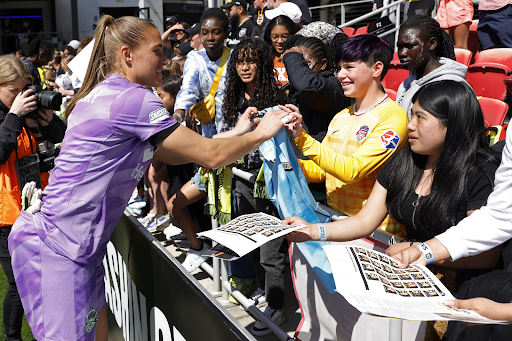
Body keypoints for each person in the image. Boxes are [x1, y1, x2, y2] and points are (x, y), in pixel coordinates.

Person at [8, 14, 288, 341]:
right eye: (157, 51)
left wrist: (241, 131)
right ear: (128, 55)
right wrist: (263, 132)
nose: (166, 59)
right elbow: (211, 156)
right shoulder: (132, 99)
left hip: (75, 249)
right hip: (60, 250)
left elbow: (184, 152)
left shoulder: (108, 93)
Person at [285, 80, 508, 339]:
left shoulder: (480, 174)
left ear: (451, 125)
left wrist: (420, 251)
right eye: (411, 114)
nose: (409, 125)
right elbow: (365, 221)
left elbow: (486, 256)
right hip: (416, 280)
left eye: (420, 117)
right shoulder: (404, 162)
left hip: (465, 296)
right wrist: (313, 231)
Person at [285, 34, 408, 235]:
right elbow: (322, 172)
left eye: (349, 67)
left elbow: (353, 170)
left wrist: (304, 141)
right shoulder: (341, 116)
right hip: (337, 225)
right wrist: (285, 161)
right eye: (340, 68)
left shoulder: (393, 118)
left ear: (377, 69)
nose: (341, 75)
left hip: (379, 235)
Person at [219, 38, 286, 335]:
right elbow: (230, 137)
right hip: (241, 178)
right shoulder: (233, 98)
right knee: (252, 242)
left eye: (251, 60)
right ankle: (263, 290)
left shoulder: (276, 96)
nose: (244, 67)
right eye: (239, 61)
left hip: (267, 180)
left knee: (271, 250)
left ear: (262, 63)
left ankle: (277, 306)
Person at [0, 55, 65, 341]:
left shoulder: (25, 111)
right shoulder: (11, 116)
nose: (22, 95)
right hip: (5, 214)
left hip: (34, 207)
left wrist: (49, 123)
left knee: (42, 279)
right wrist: (14, 116)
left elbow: (65, 139)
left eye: (25, 88)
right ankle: (12, 337)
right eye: (14, 90)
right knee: (17, 283)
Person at [167, 8, 234, 272]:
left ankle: (237, 278)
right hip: (209, 148)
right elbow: (187, 89)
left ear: (225, 32)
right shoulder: (194, 58)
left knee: (230, 215)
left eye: (215, 31)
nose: (209, 37)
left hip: (236, 146)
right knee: (181, 205)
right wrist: (179, 114)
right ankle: (201, 251)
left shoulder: (236, 57)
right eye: (204, 32)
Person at [395, 16, 466, 117]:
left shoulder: (453, 86)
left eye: (410, 46)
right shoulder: (405, 84)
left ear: (432, 43)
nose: (402, 53)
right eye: (399, 47)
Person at [263, 15, 298, 89]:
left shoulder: (300, 57)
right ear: (269, 36)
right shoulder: (264, 57)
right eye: (275, 37)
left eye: (285, 36)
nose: (280, 41)